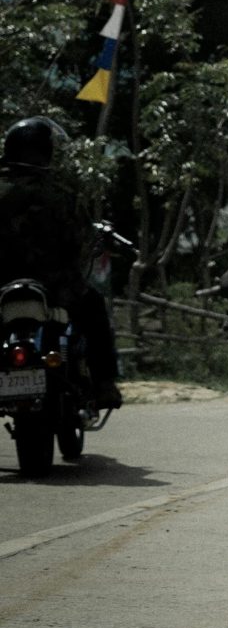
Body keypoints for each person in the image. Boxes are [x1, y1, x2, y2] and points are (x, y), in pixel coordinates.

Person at [0, 115, 123, 409]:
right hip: (56, 287)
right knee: (94, 307)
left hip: (1, 285)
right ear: (45, 152)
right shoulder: (60, 194)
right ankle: (104, 383)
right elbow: (81, 239)